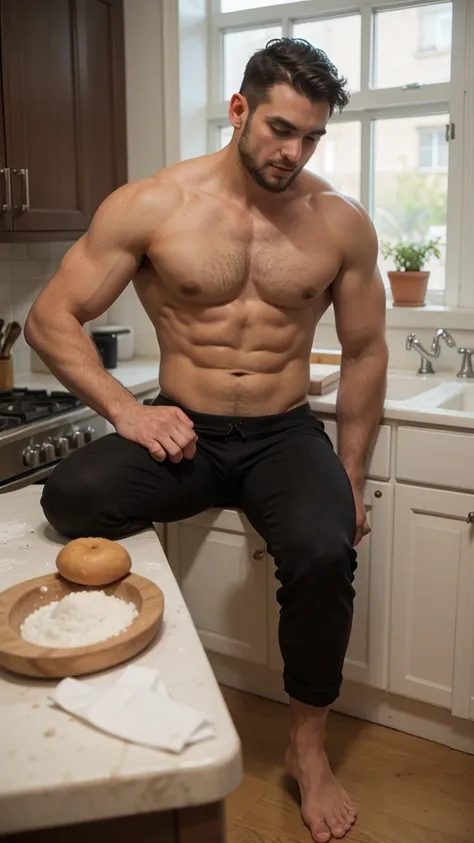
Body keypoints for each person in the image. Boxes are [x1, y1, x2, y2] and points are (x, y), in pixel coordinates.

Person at [25, 38, 388, 843]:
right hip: (183, 429)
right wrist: (128, 410)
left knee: (328, 549)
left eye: (312, 138)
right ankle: (130, 686)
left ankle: (307, 745)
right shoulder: (152, 204)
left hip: (283, 436)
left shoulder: (339, 223)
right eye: (282, 130)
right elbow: (51, 317)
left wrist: (351, 478)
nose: (295, 152)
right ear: (239, 110)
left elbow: (366, 351)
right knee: (69, 495)